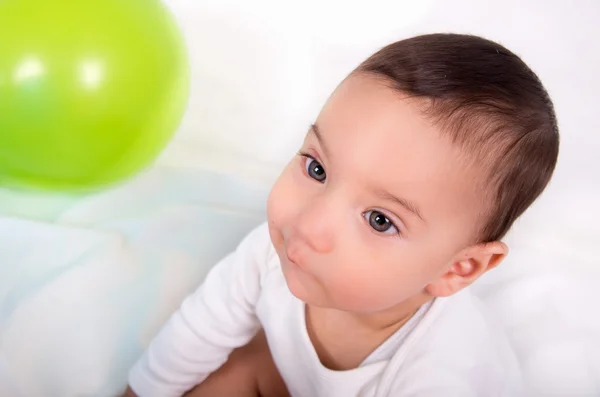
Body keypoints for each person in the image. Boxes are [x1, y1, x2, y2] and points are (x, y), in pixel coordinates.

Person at [123, 33, 559, 397]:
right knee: (237, 368)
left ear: (459, 267)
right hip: (290, 375)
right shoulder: (275, 253)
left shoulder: (442, 375)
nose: (309, 226)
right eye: (317, 169)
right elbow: (202, 327)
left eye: (380, 220)